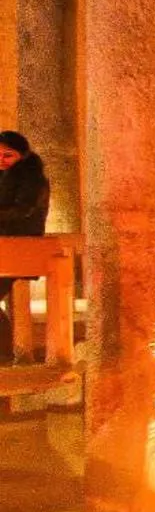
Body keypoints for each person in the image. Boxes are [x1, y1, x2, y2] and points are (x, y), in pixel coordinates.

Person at [0, 130, 51, 363]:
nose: (1, 160)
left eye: (7, 155)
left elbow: (24, 212)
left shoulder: (31, 179)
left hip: (19, 245)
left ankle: (3, 354)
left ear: (22, 155)